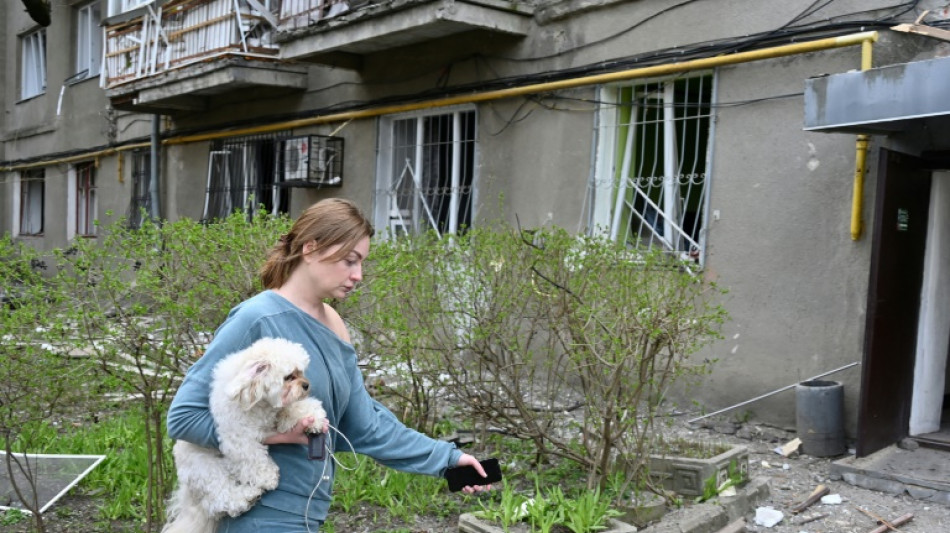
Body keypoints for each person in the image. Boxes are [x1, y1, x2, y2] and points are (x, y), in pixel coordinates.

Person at [166, 198, 490, 532]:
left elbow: (366, 425)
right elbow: (184, 418)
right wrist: (276, 436)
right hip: (261, 515)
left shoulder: (334, 323)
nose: (358, 275)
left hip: (308, 515)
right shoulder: (256, 318)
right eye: (350, 261)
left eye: (361, 262)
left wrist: (448, 460)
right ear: (310, 248)